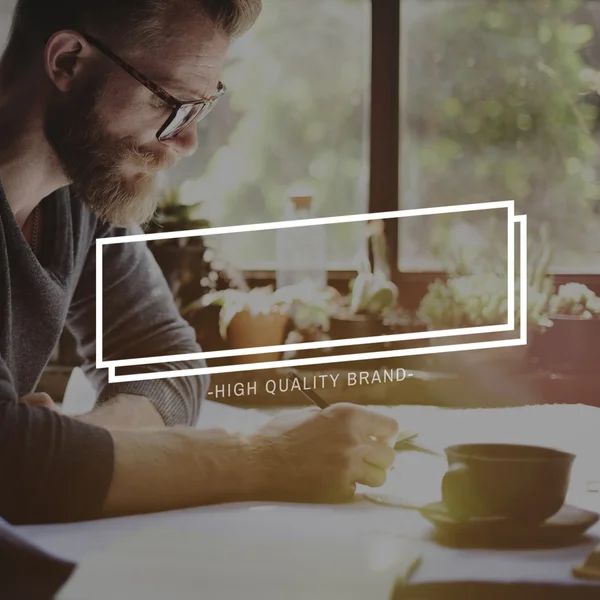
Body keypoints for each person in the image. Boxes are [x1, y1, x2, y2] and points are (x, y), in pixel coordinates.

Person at [0, 0, 399, 525]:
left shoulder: (80, 192)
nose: (187, 141)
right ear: (68, 62)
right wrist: (266, 458)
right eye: (173, 103)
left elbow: (166, 359)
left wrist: (68, 450)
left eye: (202, 108)